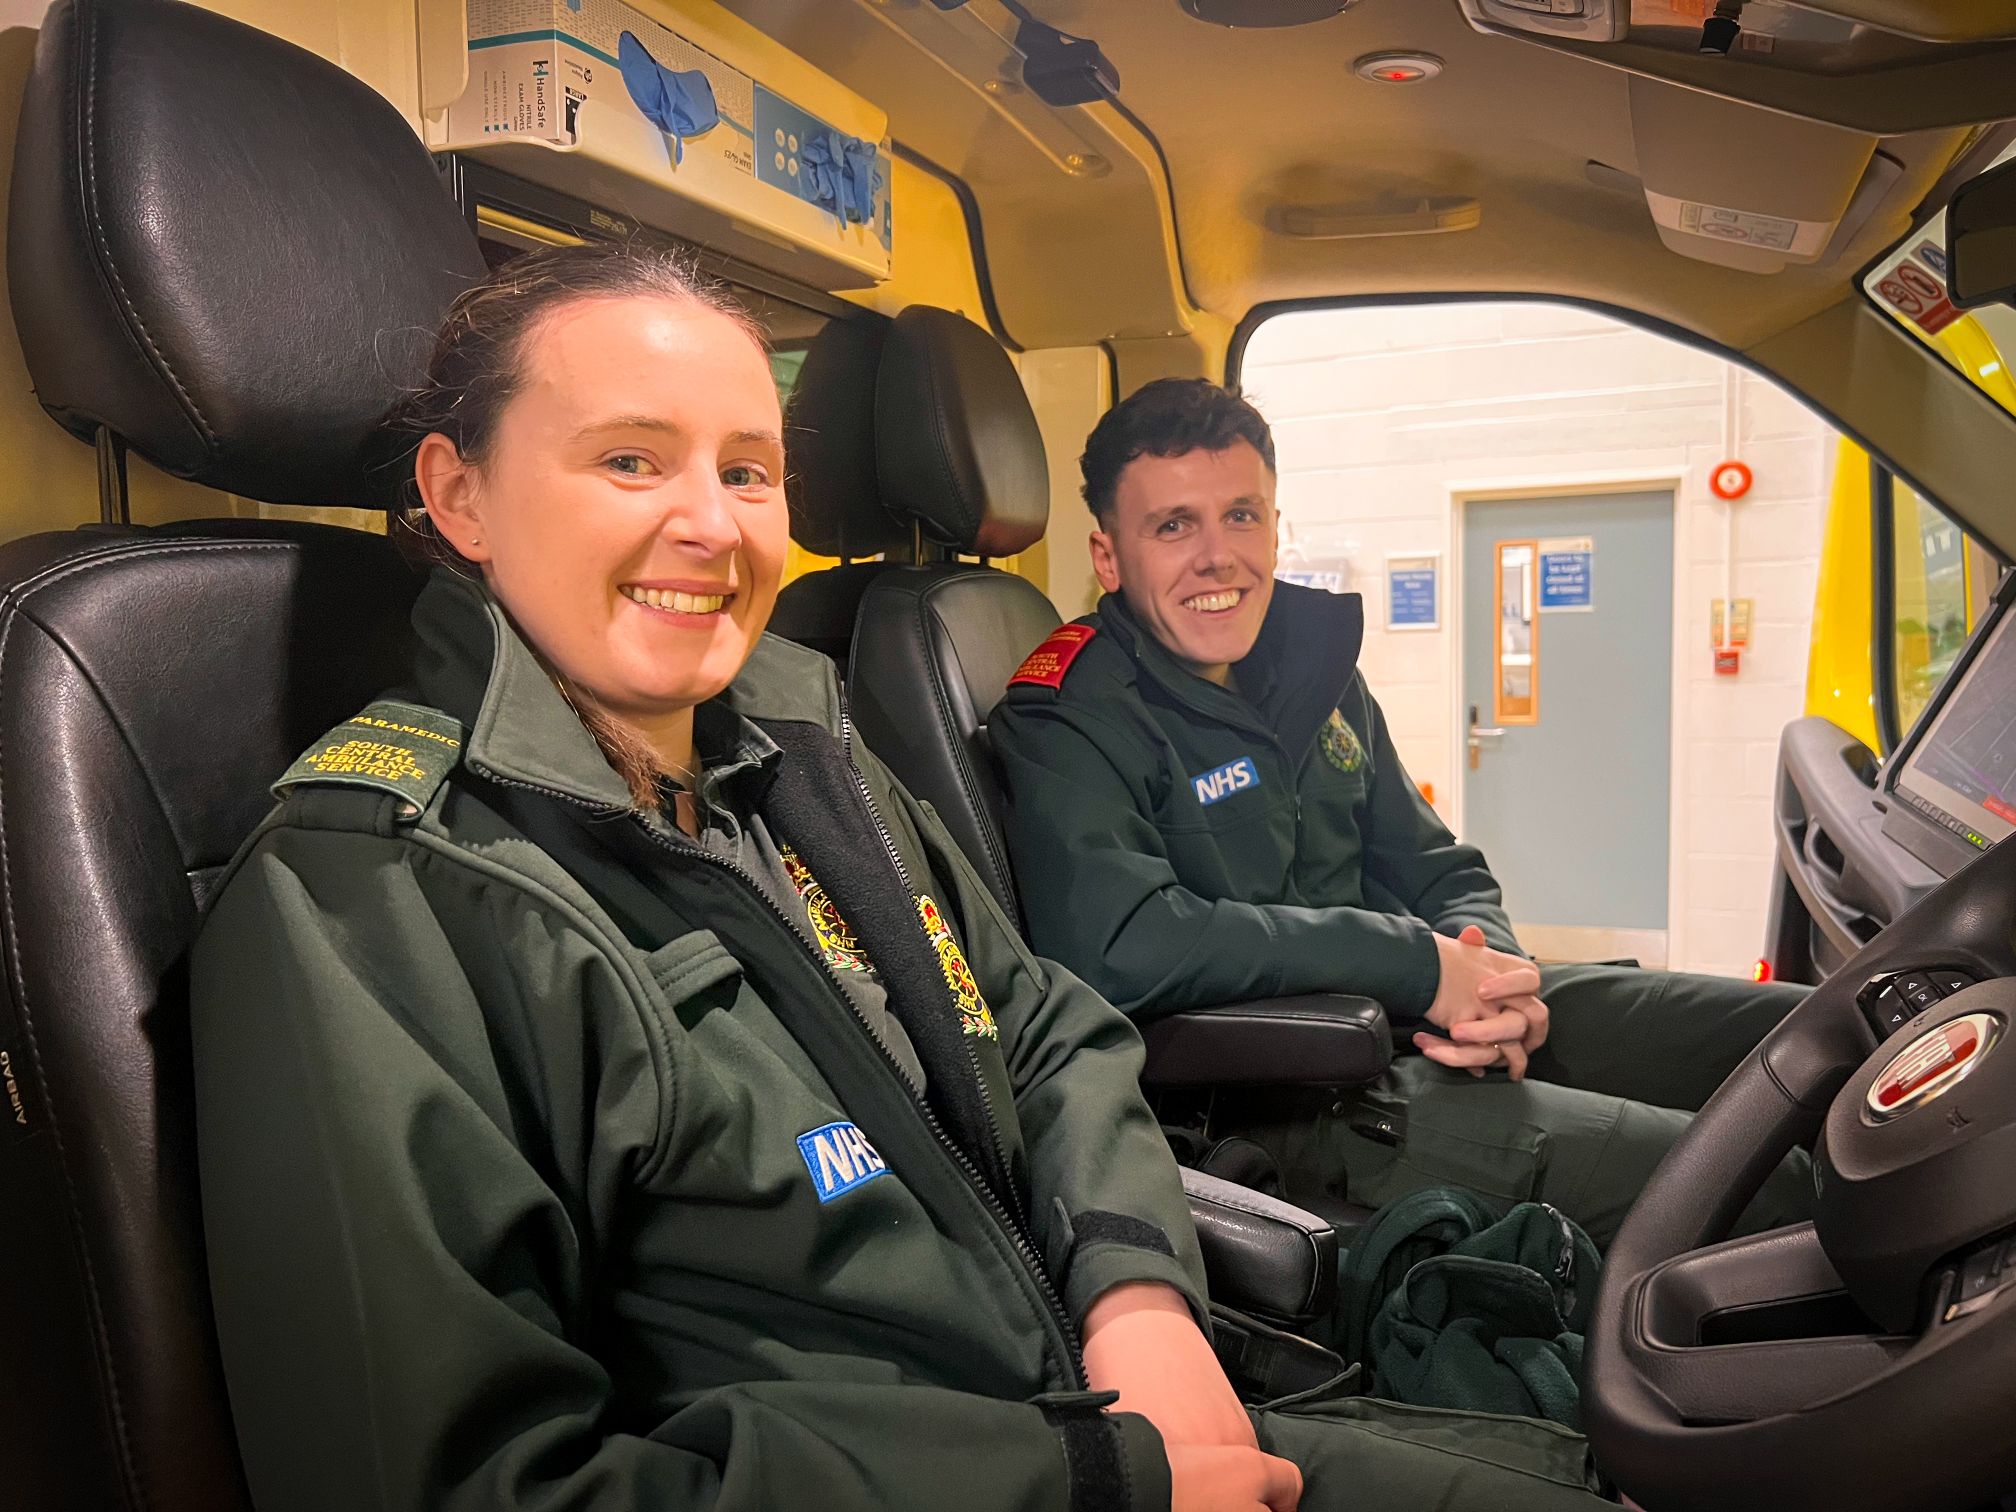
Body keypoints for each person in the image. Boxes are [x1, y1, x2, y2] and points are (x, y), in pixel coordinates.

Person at [188, 244, 1616, 1512]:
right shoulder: (376, 890)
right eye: (632, 460)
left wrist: (1138, 1296)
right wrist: (1084, 1477)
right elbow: (473, 1481)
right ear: (463, 495)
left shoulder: (801, 757)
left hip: (1106, 1381)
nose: (711, 523)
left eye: (747, 468)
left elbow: (1046, 1023)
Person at [989, 378, 1815, 1246]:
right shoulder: (1070, 712)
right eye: (1172, 526)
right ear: (1110, 556)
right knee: (1770, 1179)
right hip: (1279, 1098)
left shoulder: (1313, 667)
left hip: (1399, 1026)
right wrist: (1414, 965)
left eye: (1241, 515)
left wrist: (1494, 977)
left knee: (1807, 1034)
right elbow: (1122, 946)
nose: (1217, 556)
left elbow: (1432, 867)